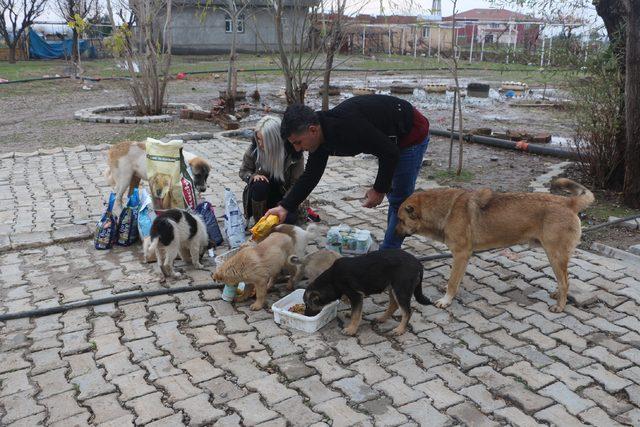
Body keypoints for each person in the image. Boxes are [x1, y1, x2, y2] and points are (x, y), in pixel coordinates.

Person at [265, 94, 430, 249]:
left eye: (298, 142)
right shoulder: (320, 138)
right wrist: (285, 207)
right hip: (387, 139)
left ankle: (389, 252)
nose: (298, 149)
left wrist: (379, 189)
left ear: (313, 130)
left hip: (410, 132)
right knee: (394, 197)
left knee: (399, 200)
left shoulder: (348, 126)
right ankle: (390, 249)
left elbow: (389, 152)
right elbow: (310, 176)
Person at [239, 115, 304, 225]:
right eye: (258, 139)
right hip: (261, 196)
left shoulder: (294, 154)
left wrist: (285, 205)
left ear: (274, 141)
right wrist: (252, 176)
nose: (259, 143)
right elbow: (243, 171)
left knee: (289, 220)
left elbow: (297, 184)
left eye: (263, 140)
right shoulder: (254, 149)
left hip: (284, 197)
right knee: (259, 184)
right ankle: (259, 221)